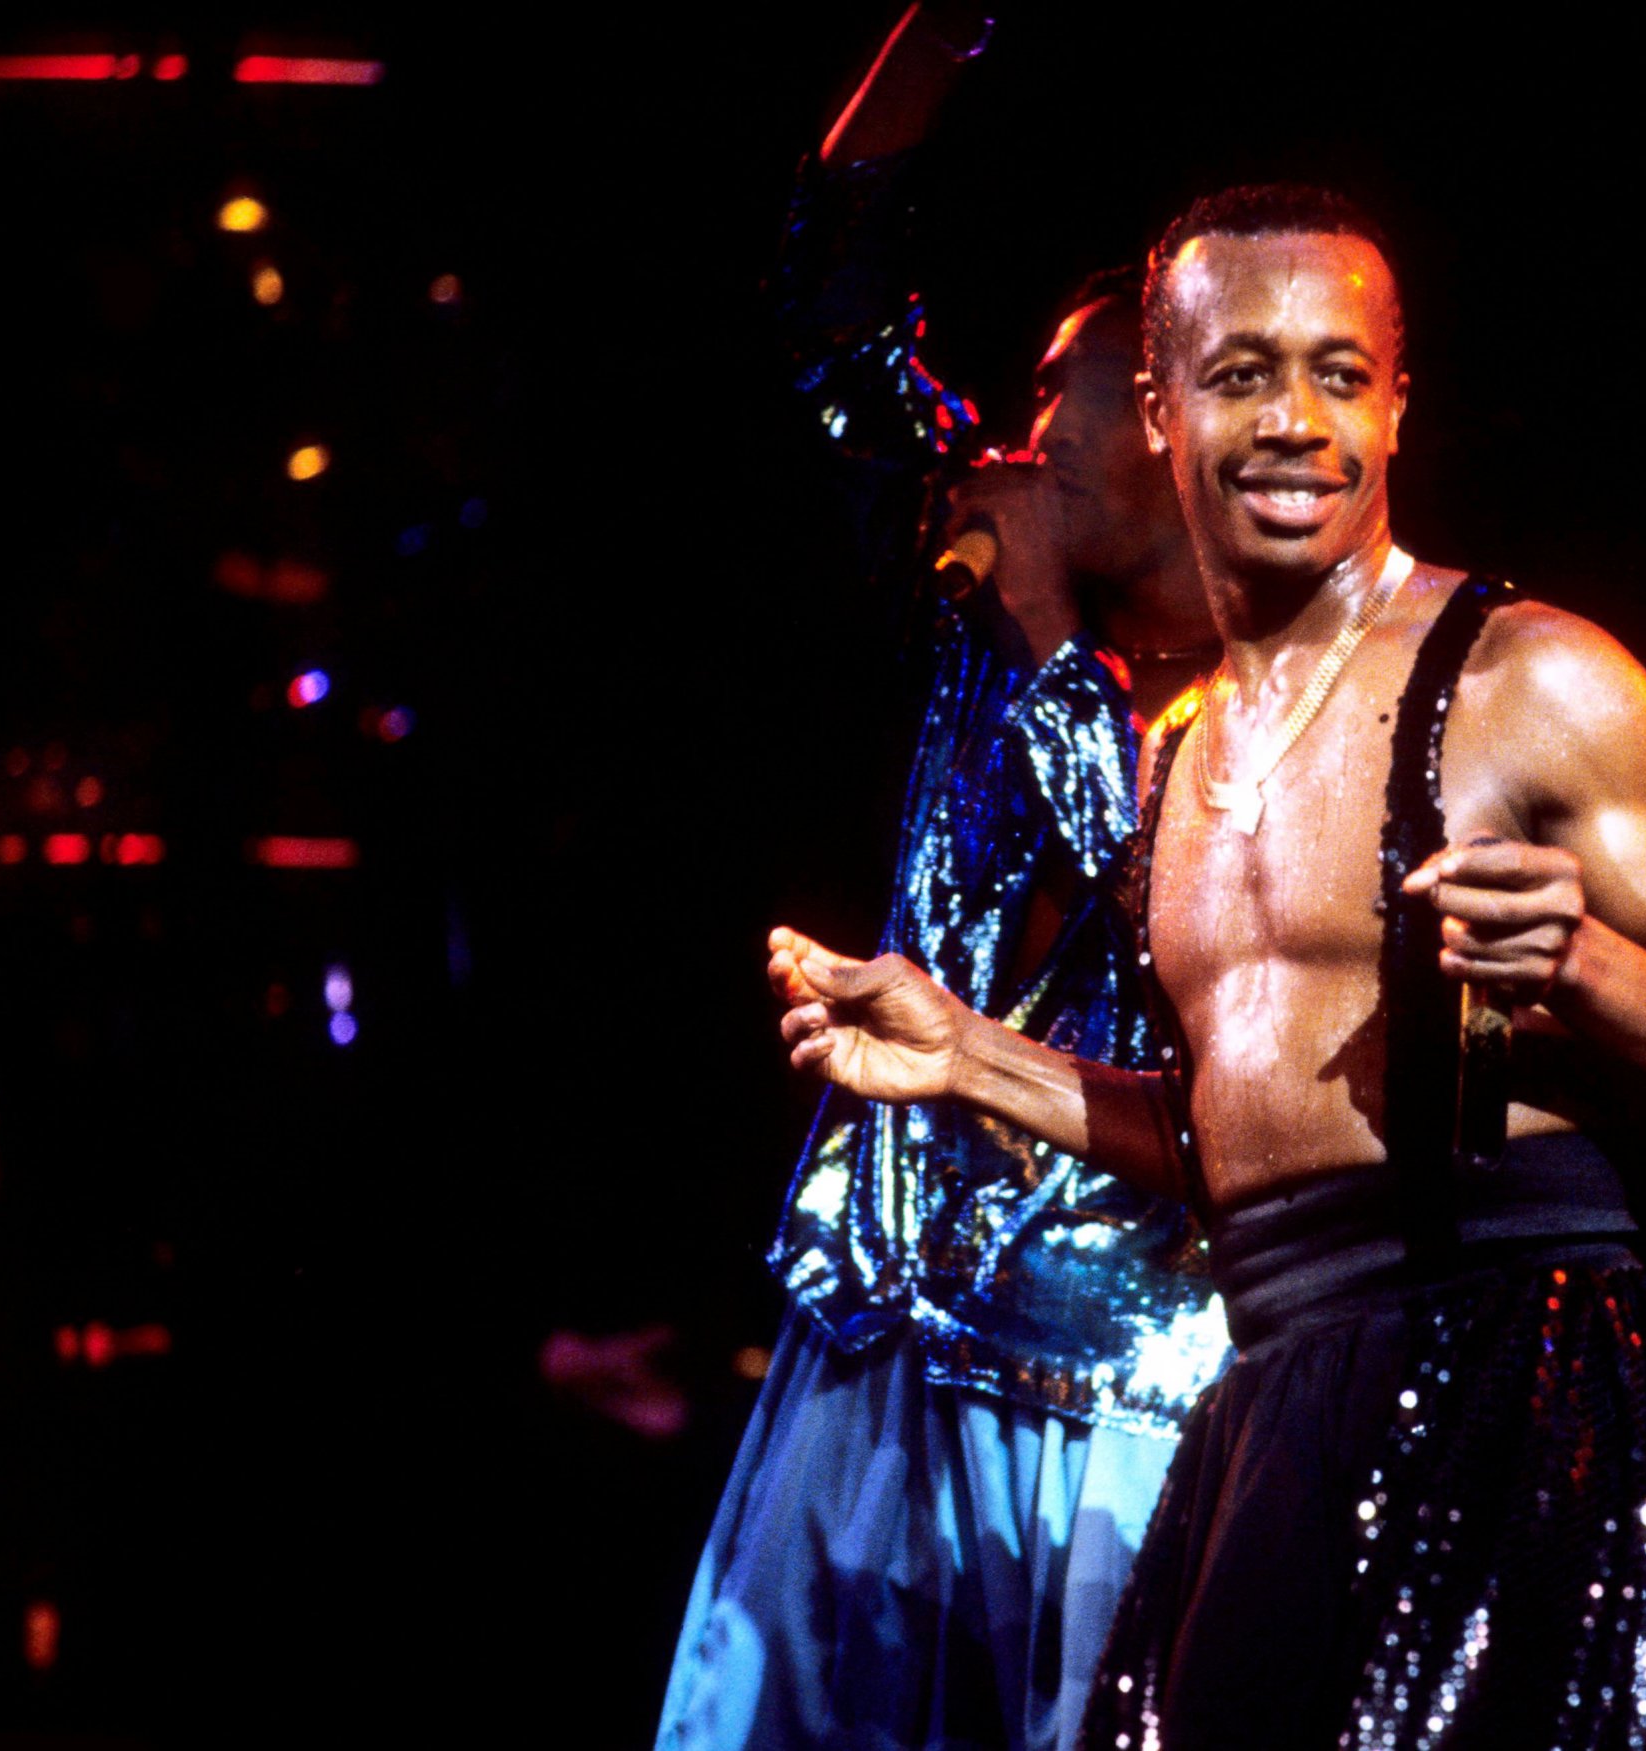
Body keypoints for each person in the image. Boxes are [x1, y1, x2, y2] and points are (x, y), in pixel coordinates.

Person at [765, 184, 1646, 1749]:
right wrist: (968, 1052)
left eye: (1341, 375)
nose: (1296, 424)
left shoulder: (1535, 679)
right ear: (1159, 402)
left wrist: (1590, 962)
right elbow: (1228, 1141)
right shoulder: (1178, 757)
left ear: (1400, 408)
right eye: (1245, 372)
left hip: (1511, 1359)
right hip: (1271, 1379)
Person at [652, 22, 1232, 1751]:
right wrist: (937, 27)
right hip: (880, 1339)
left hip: (1116, 1394)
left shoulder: (1279, 700)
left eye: (1071, 390)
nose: (1026, 421)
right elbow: (832, 306)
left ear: (1176, 437)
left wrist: (1050, 629)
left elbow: (1150, 897)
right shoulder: (978, 618)